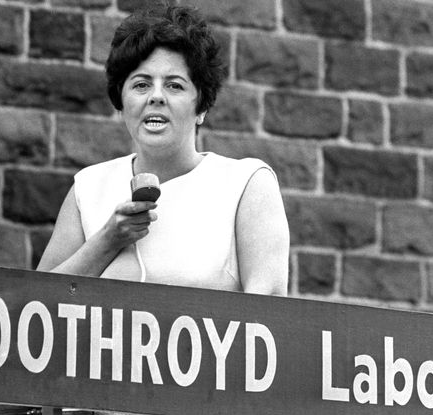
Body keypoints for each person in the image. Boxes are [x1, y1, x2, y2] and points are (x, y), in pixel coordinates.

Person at [37, 5, 289, 296]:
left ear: (202, 106)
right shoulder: (89, 187)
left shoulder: (246, 184)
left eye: (174, 86)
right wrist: (107, 241)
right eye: (141, 84)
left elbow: (267, 310)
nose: (156, 96)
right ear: (121, 102)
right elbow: (38, 303)